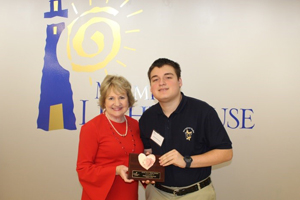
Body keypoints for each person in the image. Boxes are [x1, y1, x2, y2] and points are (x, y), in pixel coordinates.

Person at [139, 58, 233, 200]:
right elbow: (148, 151)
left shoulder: (203, 111)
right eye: (155, 79)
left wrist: (186, 161)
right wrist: (146, 171)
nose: (162, 83)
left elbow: (226, 153)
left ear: (180, 81)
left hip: (196, 193)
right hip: (157, 193)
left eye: (168, 77)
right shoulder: (147, 117)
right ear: (151, 86)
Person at [76, 75, 144, 200]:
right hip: (103, 195)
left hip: (129, 194)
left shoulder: (135, 125)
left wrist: (150, 176)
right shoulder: (91, 128)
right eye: (111, 98)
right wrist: (115, 170)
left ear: (128, 100)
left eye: (122, 97)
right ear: (104, 101)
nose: (117, 103)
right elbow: (83, 169)